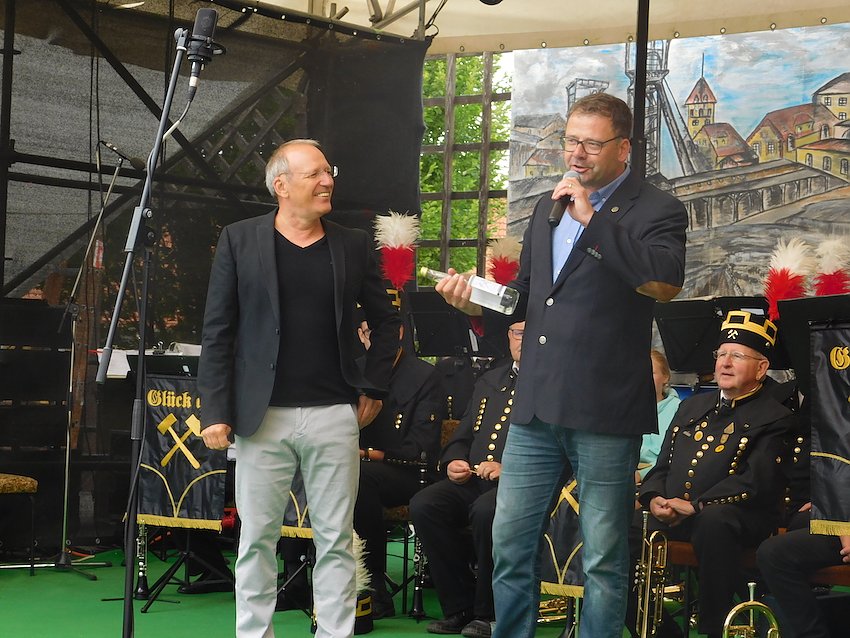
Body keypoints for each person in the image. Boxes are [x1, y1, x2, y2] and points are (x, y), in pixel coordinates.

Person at [433, 92, 688, 638]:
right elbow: (527, 296)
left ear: (623, 148)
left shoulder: (657, 209)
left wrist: (592, 221)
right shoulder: (546, 210)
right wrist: (474, 303)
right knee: (509, 541)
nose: (576, 154)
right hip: (537, 406)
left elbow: (664, 284)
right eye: (571, 141)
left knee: (602, 554)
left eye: (591, 144)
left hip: (604, 408)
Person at [197, 139, 401, 638]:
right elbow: (218, 331)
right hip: (261, 415)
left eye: (329, 172)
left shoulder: (352, 244)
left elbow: (388, 321)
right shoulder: (239, 239)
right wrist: (216, 409)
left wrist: (373, 385)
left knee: (336, 539)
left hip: (334, 411)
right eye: (314, 174)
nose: (327, 181)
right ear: (281, 185)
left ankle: (335, 632)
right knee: (256, 539)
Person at [634, 310, 797, 638]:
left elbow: (756, 481)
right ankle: (661, 634)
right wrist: (654, 499)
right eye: (721, 354)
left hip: (739, 517)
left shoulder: (775, 416)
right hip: (676, 513)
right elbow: (662, 466)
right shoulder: (691, 406)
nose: (725, 363)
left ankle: (713, 629)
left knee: (714, 522)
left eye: (737, 356)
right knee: (620, 527)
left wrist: (696, 505)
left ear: (761, 368)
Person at [410, 321, 525, 638]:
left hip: (522, 484)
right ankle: (459, 607)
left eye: (530, 333)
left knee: (487, 511)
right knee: (425, 505)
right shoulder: (490, 379)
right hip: (474, 480)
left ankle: (488, 613)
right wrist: (454, 461)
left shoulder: (550, 382)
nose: (523, 340)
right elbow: (463, 434)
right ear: (508, 337)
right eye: (517, 333)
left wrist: (507, 468)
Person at [353, 318, 444, 619]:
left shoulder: (424, 375)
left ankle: (374, 586)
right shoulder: (355, 370)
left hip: (409, 472)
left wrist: (367, 453)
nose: (373, 339)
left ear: (399, 333)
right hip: (356, 464)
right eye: (368, 332)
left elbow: (421, 447)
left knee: (360, 477)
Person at [637, 350, 681, 484]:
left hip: (661, 480)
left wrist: (641, 475)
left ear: (665, 377)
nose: (645, 378)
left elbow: (677, 457)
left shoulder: (679, 409)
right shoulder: (624, 409)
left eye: (651, 372)